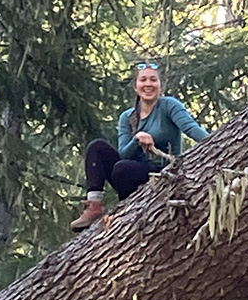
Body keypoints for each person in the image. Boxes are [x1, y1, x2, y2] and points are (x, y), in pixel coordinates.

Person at [71, 61, 209, 230]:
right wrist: (137, 140)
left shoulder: (169, 106)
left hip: (161, 174)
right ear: (136, 87)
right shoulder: (127, 117)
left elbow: (191, 128)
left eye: (153, 80)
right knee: (97, 148)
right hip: (128, 173)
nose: (148, 84)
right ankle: (94, 206)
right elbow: (123, 154)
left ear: (160, 85)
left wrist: (215, 143)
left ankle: (131, 206)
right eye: (143, 80)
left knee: (123, 168)